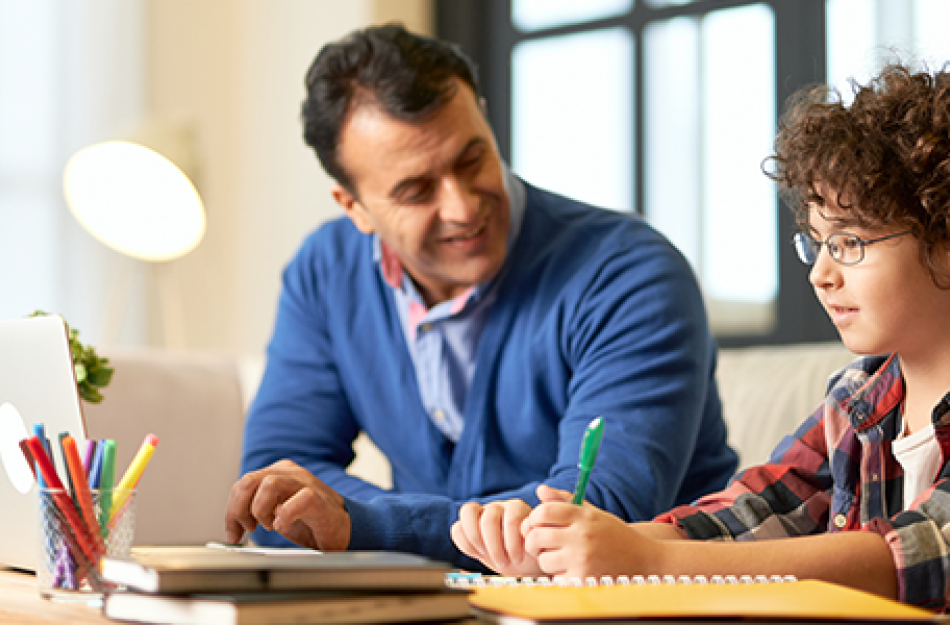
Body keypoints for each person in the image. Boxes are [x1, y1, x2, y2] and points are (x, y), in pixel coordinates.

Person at [223, 23, 738, 570]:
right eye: (417, 190)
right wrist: (368, 528)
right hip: (428, 604)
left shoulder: (627, 272)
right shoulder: (325, 272)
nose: (463, 207)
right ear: (354, 207)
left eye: (472, 160)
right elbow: (275, 493)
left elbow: (593, 516)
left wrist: (361, 524)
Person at [452, 61, 950, 609]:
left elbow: (910, 555)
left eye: (850, 242)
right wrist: (562, 549)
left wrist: (654, 564)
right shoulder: (857, 398)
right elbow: (749, 514)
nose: (820, 273)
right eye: (816, 243)